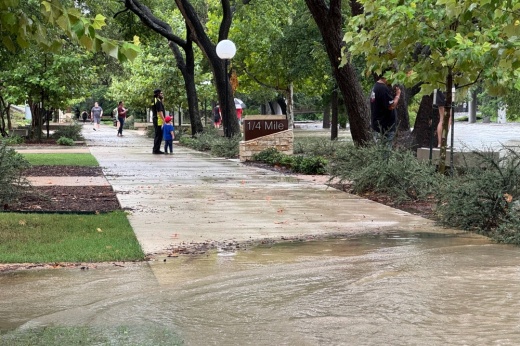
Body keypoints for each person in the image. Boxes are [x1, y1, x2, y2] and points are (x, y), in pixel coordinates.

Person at [370, 72, 400, 147]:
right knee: (385, 153)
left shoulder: (376, 86)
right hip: (384, 127)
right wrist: (398, 95)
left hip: (378, 125)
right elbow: (391, 106)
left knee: (380, 151)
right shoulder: (383, 89)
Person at [152, 89, 165, 154]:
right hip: (158, 120)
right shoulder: (157, 101)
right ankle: (156, 150)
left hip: (156, 119)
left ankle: (156, 149)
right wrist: (164, 120)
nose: (162, 95)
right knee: (159, 135)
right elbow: (159, 111)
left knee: (158, 135)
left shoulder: (154, 100)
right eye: (161, 93)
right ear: (158, 94)